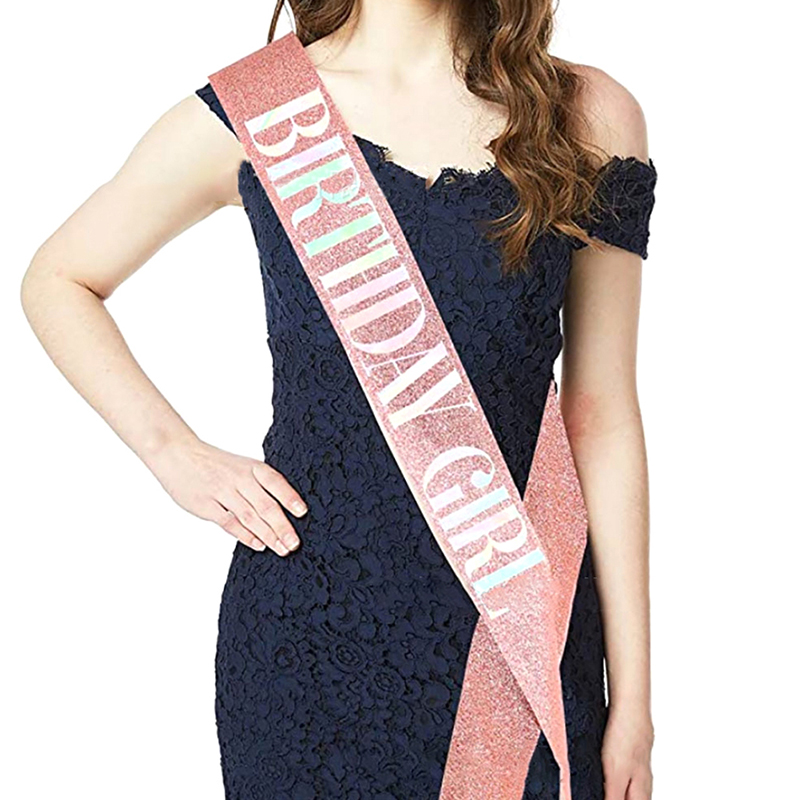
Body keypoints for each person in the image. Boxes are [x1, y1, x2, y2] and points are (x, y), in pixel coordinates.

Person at [20, 0, 657, 798]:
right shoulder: (257, 111)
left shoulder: (584, 115)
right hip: (310, 642)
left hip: (525, 630)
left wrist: (634, 702)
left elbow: (601, 415)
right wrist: (173, 453)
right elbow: (59, 279)